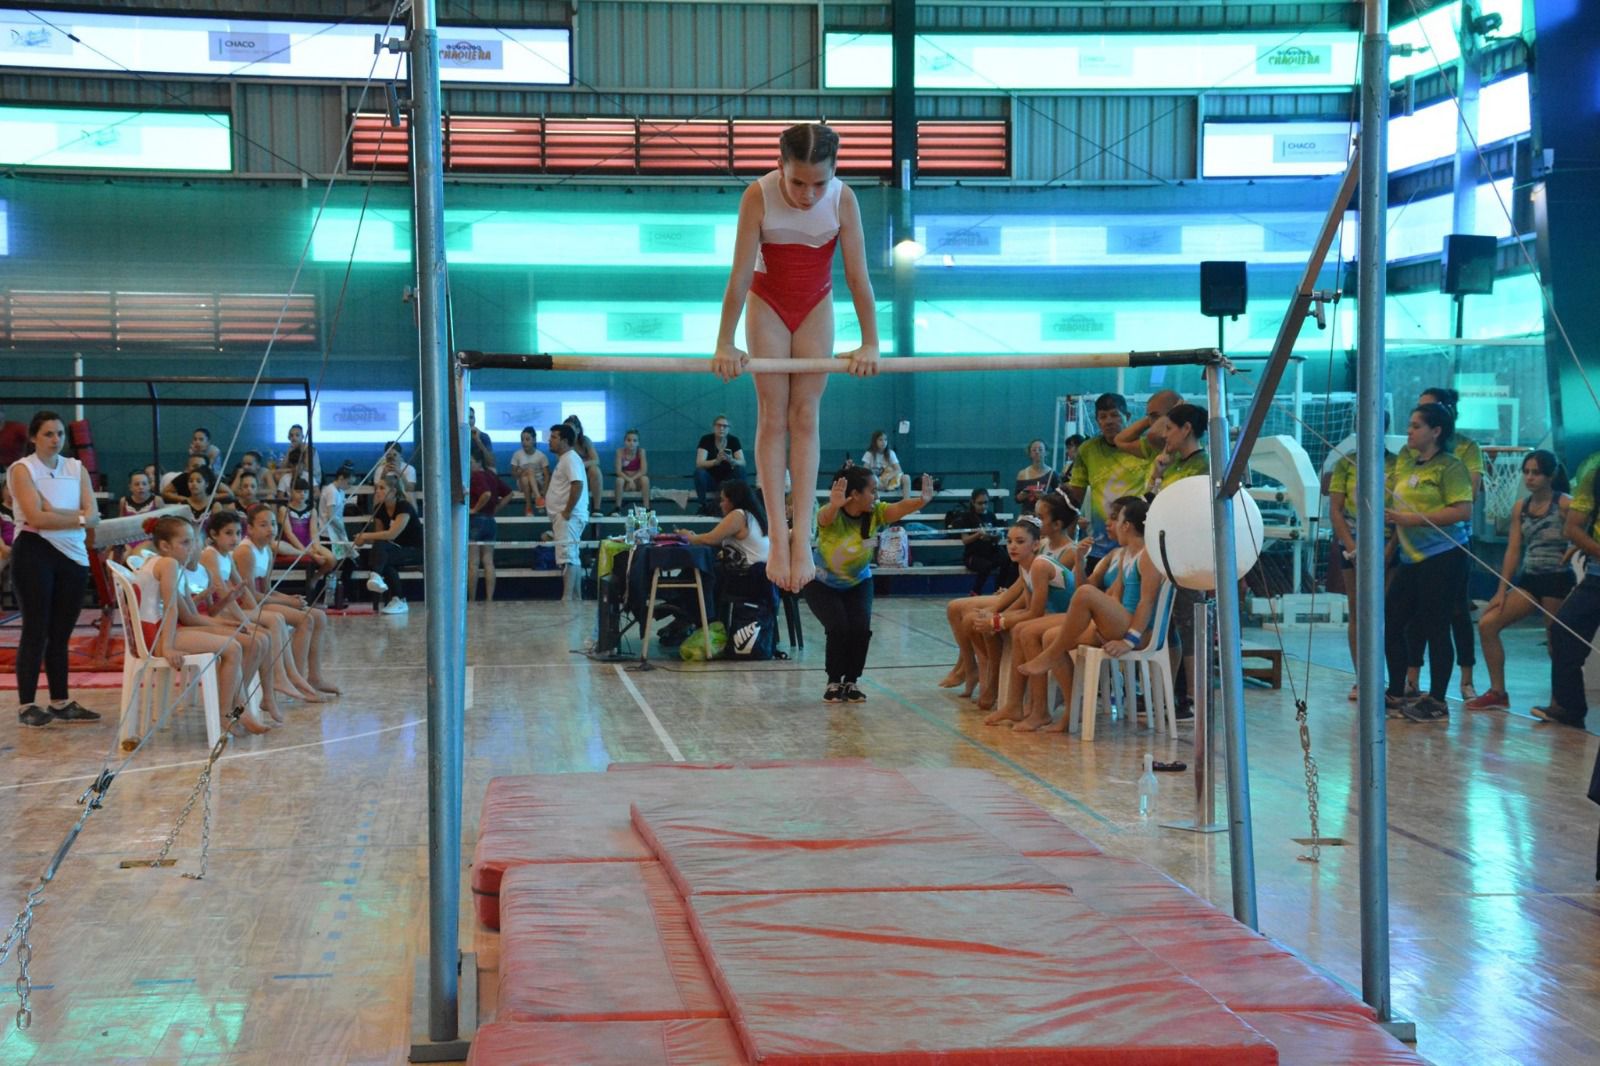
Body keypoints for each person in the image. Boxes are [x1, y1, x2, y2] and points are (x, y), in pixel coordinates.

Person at [712, 123, 881, 593]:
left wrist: (871, 342)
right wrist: (725, 342)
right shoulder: (758, 195)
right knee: (773, 415)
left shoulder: (844, 199)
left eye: (819, 183)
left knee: (805, 415)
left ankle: (801, 537)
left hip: (816, 305)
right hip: (767, 304)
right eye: (798, 182)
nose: (809, 194)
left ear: (835, 173)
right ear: (780, 165)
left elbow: (858, 277)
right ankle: (778, 541)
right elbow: (740, 275)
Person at [1017, 497, 1166, 739]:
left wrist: (1128, 641)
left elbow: (1147, 602)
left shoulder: (1147, 555)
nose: (1111, 524)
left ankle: (1052, 654)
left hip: (1137, 631)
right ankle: (1069, 712)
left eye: (1114, 520)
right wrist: (1081, 564)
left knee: (1086, 594)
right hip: (1119, 621)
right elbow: (1115, 595)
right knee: (1050, 636)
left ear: (1126, 525)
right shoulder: (1126, 554)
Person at [804, 466, 933, 703]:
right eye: (872, 490)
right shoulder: (831, 514)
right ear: (854, 494)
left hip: (859, 582)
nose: (877, 496)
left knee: (860, 630)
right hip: (822, 583)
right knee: (839, 628)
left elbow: (899, 508)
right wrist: (834, 504)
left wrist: (921, 501)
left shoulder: (876, 513)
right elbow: (824, 517)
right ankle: (833, 682)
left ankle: (851, 681)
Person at [7, 411, 102, 727]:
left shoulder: (76, 468)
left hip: (72, 555)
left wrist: (58, 513)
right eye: (48, 434)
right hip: (35, 551)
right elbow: (36, 518)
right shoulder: (22, 470)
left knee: (61, 633)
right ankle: (27, 705)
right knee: (36, 629)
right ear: (34, 437)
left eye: (60, 433)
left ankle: (60, 701)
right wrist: (76, 517)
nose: (56, 439)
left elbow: (95, 513)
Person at [133, 515, 269, 735]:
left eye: (194, 541)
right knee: (233, 647)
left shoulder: (176, 566)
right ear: (165, 546)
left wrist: (229, 623)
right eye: (186, 542)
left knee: (254, 640)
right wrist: (167, 647)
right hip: (158, 634)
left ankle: (238, 703)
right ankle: (227, 713)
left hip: (170, 629)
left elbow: (190, 616)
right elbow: (170, 609)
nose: (193, 547)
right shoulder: (166, 564)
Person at [1384, 403, 1475, 724]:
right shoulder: (1407, 464)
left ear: (1436, 431)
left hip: (1444, 557)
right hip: (1411, 560)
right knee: (1392, 622)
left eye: (1416, 426)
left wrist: (1409, 518)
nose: (1409, 431)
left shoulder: (1450, 467)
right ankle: (1396, 691)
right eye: (1409, 425)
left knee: (1437, 627)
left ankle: (1437, 700)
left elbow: (1462, 511)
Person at [1468, 451, 1572, 711]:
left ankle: (1560, 702)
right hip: (1530, 579)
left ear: (1550, 476)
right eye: (1526, 472)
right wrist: (1501, 590)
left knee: (1554, 642)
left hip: (1557, 579)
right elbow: (1513, 549)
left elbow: (1578, 533)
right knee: (1488, 624)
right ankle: (1497, 691)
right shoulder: (1521, 508)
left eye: (1536, 472)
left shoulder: (1564, 504)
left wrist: (1572, 550)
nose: (1529, 477)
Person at [970, 515, 1073, 730]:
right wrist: (995, 619)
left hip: (1072, 617)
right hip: (1053, 616)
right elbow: (1028, 608)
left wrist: (997, 622)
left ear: (1036, 545)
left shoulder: (1039, 566)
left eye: (1020, 541)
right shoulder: (1023, 567)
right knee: (1017, 629)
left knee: (1024, 631)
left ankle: (1040, 710)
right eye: (1009, 542)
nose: (1012, 547)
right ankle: (1015, 704)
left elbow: (1035, 612)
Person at [1415, 387, 1485, 699]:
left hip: (1454, 541)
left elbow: (1466, 493)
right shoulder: (1413, 453)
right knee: (1417, 612)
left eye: (1426, 411)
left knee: (1457, 610)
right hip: (1417, 543)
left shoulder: (1466, 449)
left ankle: (1466, 679)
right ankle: (1410, 679)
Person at [233, 504, 338, 698]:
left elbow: (266, 590)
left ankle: (314, 676)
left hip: (259, 599)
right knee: (304, 619)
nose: (271, 529)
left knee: (320, 616)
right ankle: (296, 679)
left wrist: (290, 598)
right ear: (250, 528)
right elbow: (249, 596)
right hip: (244, 605)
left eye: (273, 524)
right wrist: (289, 604)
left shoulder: (266, 550)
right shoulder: (245, 551)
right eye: (263, 525)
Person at [1327, 429, 1398, 700]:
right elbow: (1336, 510)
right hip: (1354, 544)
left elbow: (1405, 507)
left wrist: (1389, 550)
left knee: (1387, 612)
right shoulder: (1345, 463)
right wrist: (1354, 549)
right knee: (1358, 611)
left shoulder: (1397, 462)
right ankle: (1363, 678)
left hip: (1388, 543)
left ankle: (1393, 677)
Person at [201, 510, 288, 725]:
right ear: (213, 534)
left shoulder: (226, 556)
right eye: (228, 533)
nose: (235, 538)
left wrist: (252, 615)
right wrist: (244, 621)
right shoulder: (210, 554)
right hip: (215, 613)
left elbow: (243, 589)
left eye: (238, 533)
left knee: (264, 636)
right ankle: (236, 700)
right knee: (255, 638)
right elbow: (223, 594)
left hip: (225, 611)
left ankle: (266, 696)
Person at [1534, 449, 1600, 728]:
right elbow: (1573, 528)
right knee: (1563, 630)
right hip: (1597, 576)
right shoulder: (1594, 466)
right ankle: (1570, 708)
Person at [1067, 393, 1153, 573]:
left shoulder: (1144, 447)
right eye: (1103, 417)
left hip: (1137, 545)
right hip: (1098, 546)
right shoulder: (1087, 449)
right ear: (1097, 420)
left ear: (1127, 417)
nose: (1109, 421)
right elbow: (1075, 497)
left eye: (1115, 415)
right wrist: (1069, 533)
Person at [352, 475, 422, 615]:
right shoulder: (379, 508)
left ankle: (376, 575)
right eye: (376, 488)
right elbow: (380, 536)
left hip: (415, 550)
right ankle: (398, 599)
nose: (377, 491)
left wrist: (365, 535)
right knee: (384, 558)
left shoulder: (404, 506)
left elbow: (392, 534)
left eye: (382, 488)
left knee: (384, 558)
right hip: (394, 549)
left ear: (394, 491)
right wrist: (362, 540)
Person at [678, 479, 770, 567]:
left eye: (722, 500)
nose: (720, 504)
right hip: (760, 569)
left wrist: (688, 537)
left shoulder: (738, 515)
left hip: (750, 572)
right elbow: (718, 539)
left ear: (733, 500)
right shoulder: (753, 515)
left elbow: (711, 539)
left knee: (700, 567)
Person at [546, 423, 589, 603]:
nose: (550, 440)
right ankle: (576, 597)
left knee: (567, 557)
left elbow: (577, 484)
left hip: (568, 518)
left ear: (564, 441)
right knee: (573, 557)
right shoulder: (565, 459)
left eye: (554, 437)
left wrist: (566, 512)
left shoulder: (570, 458)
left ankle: (566, 597)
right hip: (566, 517)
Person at [276, 477, 337, 598]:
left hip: (308, 543)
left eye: (305, 492)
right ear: (290, 492)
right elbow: (289, 533)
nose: (302, 494)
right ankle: (309, 555)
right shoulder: (284, 509)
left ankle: (315, 578)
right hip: (291, 546)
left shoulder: (311, 510)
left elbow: (314, 532)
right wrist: (308, 552)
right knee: (312, 554)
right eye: (298, 491)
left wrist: (316, 548)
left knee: (332, 559)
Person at [945, 487, 1010, 596]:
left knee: (1007, 560)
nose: (983, 506)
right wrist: (978, 534)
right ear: (973, 502)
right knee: (986, 566)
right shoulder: (966, 517)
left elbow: (998, 535)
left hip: (989, 551)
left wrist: (996, 536)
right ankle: (976, 591)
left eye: (986, 503)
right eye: (980, 503)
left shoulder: (991, 515)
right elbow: (965, 540)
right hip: (973, 555)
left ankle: (999, 589)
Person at [468, 452, 512, 602]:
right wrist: (495, 509)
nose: (469, 465)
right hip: (490, 521)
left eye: (471, 461)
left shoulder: (476, 476)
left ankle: (472, 599)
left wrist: (474, 509)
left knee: (473, 563)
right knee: (488, 561)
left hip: (476, 521)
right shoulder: (491, 476)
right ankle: (489, 598)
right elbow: (509, 493)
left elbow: (485, 494)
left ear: (479, 462)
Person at [319, 461, 356, 609]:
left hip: (336, 533)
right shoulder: (332, 491)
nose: (348, 486)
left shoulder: (340, 491)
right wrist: (342, 533)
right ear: (341, 478)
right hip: (330, 535)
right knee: (341, 565)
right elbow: (331, 516)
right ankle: (333, 596)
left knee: (348, 563)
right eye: (348, 483)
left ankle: (339, 595)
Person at [692, 415, 747, 513]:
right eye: (719, 425)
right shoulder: (706, 439)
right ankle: (702, 505)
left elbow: (742, 462)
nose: (721, 428)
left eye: (725, 426)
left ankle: (740, 504)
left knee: (741, 470)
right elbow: (699, 463)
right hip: (711, 480)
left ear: (729, 429)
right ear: (714, 427)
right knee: (699, 472)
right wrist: (716, 461)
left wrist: (732, 460)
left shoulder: (734, 440)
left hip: (728, 481)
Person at [563, 415, 603, 518]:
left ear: (578, 430)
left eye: (570, 429)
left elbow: (596, 460)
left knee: (595, 470)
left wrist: (580, 465)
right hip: (571, 476)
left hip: (586, 475)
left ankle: (597, 508)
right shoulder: (563, 443)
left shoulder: (585, 441)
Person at [510, 427, 549, 516]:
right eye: (522, 440)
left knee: (527, 476)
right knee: (525, 477)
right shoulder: (517, 454)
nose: (524, 442)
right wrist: (520, 472)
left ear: (534, 440)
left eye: (527, 439)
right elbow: (513, 474)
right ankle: (538, 499)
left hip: (538, 484)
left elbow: (546, 476)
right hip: (522, 485)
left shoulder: (541, 456)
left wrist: (544, 490)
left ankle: (528, 507)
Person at [613, 428, 651, 513]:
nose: (631, 443)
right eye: (629, 440)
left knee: (645, 479)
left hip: (636, 482)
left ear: (638, 443)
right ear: (624, 441)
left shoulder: (641, 452)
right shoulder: (620, 452)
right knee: (619, 480)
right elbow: (618, 471)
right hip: (625, 482)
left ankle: (647, 507)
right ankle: (617, 507)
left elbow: (643, 470)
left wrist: (632, 479)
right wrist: (629, 480)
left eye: (635, 441)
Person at [1013, 439, 1057, 510]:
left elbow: (1058, 499)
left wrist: (1045, 497)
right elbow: (1016, 499)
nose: (1037, 452)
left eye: (1040, 449)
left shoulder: (1052, 474)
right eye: (1034, 450)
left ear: (1046, 452)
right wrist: (1023, 495)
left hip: (1046, 513)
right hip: (1027, 514)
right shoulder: (1022, 474)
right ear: (1030, 453)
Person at [860, 430, 904, 497]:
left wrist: (889, 476)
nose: (883, 442)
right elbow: (865, 470)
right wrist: (875, 479)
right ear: (875, 441)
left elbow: (898, 470)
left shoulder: (890, 453)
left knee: (906, 478)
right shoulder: (869, 454)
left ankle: (907, 502)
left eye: (885, 440)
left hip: (889, 480)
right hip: (875, 481)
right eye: (880, 440)